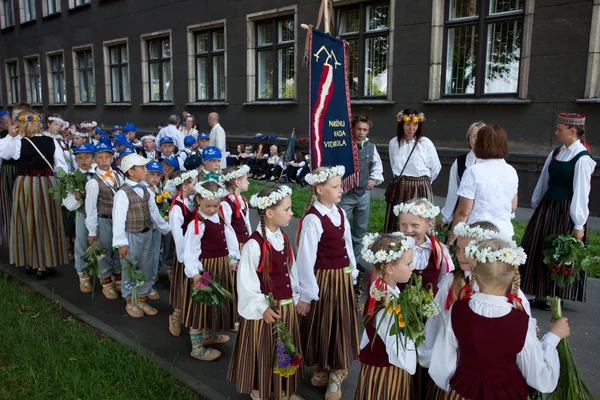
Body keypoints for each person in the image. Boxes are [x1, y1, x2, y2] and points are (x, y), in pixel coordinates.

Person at [429, 239, 569, 399]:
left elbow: (443, 358)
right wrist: (552, 338)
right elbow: (539, 376)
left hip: (464, 391)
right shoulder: (521, 321)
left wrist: (451, 385)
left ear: (475, 272)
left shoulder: (458, 309)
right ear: (512, 276)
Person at [419, 222, 532, 391]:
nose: (461, 255)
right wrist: (429, 356)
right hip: (455, 372)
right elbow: (436, 320)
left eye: (468, 250)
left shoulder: (510, 291)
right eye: (458, 248)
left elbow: (520, 332)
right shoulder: (452, 281)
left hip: (495, 375)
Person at [227, 185, 303, 400]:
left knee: (282, 351)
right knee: (263, 352)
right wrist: (262, 306)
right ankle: (258, 392)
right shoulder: (255, 244)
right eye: (287, 209)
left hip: (285, 308)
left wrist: (295, 296)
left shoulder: (282, 238)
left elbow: (291, 271)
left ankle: (281, 390)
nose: (291, 214)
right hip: (266, 313)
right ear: (269, 212)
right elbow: (247, 283)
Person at [296, 165, 359, 400]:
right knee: (324, 323)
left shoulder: (340, 213)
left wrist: (351, 272)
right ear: (320, 189)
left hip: (341, 278)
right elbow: (305, 259)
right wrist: (307, 294)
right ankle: (323, 367)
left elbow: (348, 246)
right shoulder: (314, 219)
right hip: (324, 281)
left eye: (340, 185)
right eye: (335, 186)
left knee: (340, 323)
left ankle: (337, 371)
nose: (341, 189)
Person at [520, 112, 596, 303]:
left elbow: (581, 193)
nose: (556, 132)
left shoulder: (582, 159)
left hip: (565, 211)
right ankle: (532, 288)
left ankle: (555, 294)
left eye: (560, 130)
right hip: (548, 207)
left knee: (558, 252)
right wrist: (538, 203)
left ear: (573, 131)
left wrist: (579, 225)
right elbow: (544, 180)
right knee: (535, 246)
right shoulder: (556, 153)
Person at [0, 110, 69, 279]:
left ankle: (29, 261)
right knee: (46, 222)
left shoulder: (18, 143)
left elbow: (2, 153)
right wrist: (61, 187)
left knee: (26, 221)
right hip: (47, 184)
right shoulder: (51, 142)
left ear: (21, 125)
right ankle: (43, 265)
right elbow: (61, 167)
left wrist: (9, 135)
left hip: (25, 185)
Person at [354, 233, 417, 400]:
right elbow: (395, 345)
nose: (413, 267)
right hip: (388, 369)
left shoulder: (380, 287)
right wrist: (410, 363)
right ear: (390, 268)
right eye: (408, 263)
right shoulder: (388, 304)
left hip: (382, 360)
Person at [182, 181, 241, 361]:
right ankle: (197, 347)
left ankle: (208, 335)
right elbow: (190, 252)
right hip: (205, 270)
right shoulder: (196, 225)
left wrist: (233, 258)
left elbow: (229, 238)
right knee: (200, 306)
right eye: (207, 205)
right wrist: (195, 273)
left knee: (213, 305)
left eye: (216, 205)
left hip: (221, 266)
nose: (212, 209)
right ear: (198, 200)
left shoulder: (220, 216)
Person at [113, 154, 170, 318]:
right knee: (130, 269)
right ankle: (130, 299)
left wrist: (166, 229)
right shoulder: (122, 193)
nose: (146, 170)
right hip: (130, 236)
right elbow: (118, 220)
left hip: (146, 235)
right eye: (143, 168)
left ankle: (142, 298)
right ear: (131, 171)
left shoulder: (146, 190)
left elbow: (154, 214)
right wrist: (120, 243)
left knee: (145, 267)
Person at [449, 124, 519, 240]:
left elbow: (463, 212)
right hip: (504, 234)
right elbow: (513, 206)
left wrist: (450, 240)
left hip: (478, 235)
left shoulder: (473, 171)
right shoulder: (511, 170)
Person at [339, 114, 384, 270]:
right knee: (340, 227)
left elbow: (377, 165)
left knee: (360, 228)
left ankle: (355, 261)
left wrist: (373, 179)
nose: (361, 132)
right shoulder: (344, 146)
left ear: (368, 131)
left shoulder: (371, 147)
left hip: (363, 193)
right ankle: (342, 260)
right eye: (358, 129)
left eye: (364, 130)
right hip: (346, 194)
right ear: (353, 129)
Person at [385, 109, 441, 233]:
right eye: (408, 124)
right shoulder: (394, 143)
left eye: (415, 125)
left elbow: (435, 167)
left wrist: (424, 183)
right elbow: (393, 164)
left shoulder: (425, 143)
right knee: (400, 222)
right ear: (402, 125)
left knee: (420, 220)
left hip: (420, 186)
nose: (411, 128)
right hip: (401, 187)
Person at [86, 143, 124, 299]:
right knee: (104, 251)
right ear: (95, 159)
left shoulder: (118, 176)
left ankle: (118, 277)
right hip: (104, 219)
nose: (104, 160)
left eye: (107, 157)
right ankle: (106, 282)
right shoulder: (93, 182)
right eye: (100, 157)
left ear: (112, 158)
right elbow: (91, 208)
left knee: (118, 249)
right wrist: (92, 230)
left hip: (118, 220)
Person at [395, 198, 454, 296]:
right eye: (403, 224)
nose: (408, 230)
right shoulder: (395, 249)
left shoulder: (438, 250)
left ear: (429, 226)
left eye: (415, 225)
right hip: (397, 307)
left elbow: (446, 279)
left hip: (429, 306)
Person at [220, 165, 252, 332]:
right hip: (235, 245)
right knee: (232, 282)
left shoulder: (242, 200)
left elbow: (246, 223)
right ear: (237, 181)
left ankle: (240, 313)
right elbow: (228, 228)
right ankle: (232, 318)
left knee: (243, 280)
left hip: (244, 243)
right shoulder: (226, 203)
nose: (248, 181)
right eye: (246, 179)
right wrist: (233, 255)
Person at [165, 170, 197, 336]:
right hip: (184, 255)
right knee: (183, 285)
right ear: (184, 186)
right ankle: (176, 315)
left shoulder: (191, 201)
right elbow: (177, 234)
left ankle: (189, 315)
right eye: (192, 183)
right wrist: (184, 257)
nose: (195, 186)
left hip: (195, 251)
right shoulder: (176, 208)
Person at [62, 144, 97, 292]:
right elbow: (68, 204)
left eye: (87, 157)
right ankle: (83, 274)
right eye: (79, 157)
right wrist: (77, 199)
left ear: (93, 158)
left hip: (100, 215)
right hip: (83, 214)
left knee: (101, 243)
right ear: (75, 159)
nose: (83, 160)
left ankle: (103, 273)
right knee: (81, 243)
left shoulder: (100, 174)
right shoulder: (72, 178)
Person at [440, 121, 485, 228]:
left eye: (480, 136)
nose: (476, 139)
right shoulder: (460, 161)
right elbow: (453, 191)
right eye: (473, 136)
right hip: (462, 212)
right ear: (468, 139)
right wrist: (446, 217)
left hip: (483, 214)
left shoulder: (493, 162)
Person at [0, 102, 32, 248]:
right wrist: (9, 136)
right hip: (8, 171)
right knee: (8, 206)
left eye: (19, 115)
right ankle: (11, 241)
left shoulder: (32, 133)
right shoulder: (4, 134)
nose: (16, 118)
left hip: (25, 172)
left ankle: (26, 241)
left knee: (24, 208)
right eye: (14, 115)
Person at [143, 160, 166, 300]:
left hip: (157, 228)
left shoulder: (157, 188)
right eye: (152, 174)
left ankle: (150, 283)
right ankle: (145, 285)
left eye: (158, 175)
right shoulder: (145, 190)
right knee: (146, 257)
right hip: (147, 228)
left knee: (155, 256)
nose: (155, 178)